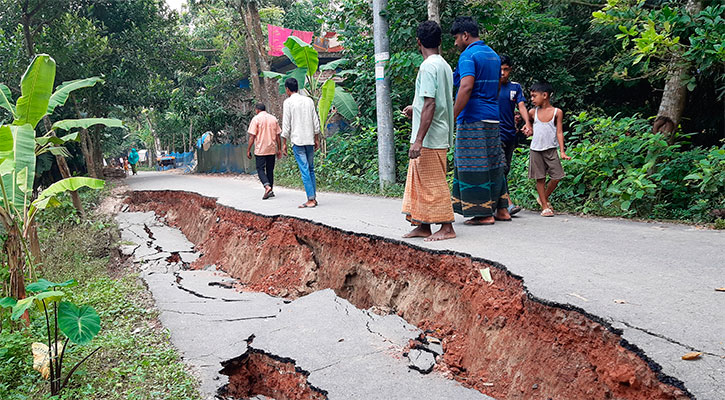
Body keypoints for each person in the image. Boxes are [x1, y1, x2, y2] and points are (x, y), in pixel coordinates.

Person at [450, 16, 511, 225]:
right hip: (492, 117)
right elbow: (495, 88)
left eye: (457, 38)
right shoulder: (493, 55)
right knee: (494, 162)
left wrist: (453, 115)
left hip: (473, 118)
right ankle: (502, 209)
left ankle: (483, 214)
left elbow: (466, 86)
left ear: (465, 35)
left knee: (472, 164)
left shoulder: (468, 56)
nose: (456, 43)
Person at [401, 20, 456, 242]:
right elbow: (436, 101)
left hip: (430, 137)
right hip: (437, 131)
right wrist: (415, 108)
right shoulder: (443, 64)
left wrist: (418, 140)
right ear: (440, 41)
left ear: (418, 42)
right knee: (420, 180)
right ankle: (422, 224)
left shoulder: (427, 67)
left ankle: (447, 227)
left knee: (433, 182)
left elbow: (432, 103)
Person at [526, 82, 571, 217]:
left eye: (534, 96)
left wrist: (562, 151)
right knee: (540, 178)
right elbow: (528, 125)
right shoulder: (533, 112)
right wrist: (527, 129)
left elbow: (559, 132)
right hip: (536, 149)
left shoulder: (557, 112)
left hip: (551, 149)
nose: (532, 99)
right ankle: (545, 207)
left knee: (557, 176)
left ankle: (542, 198)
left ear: (545, 95)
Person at [498, 55, 532, 216]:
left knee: (505, 170)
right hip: (494, 133)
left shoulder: (515, 87)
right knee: (501, 167)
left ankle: (498, 204)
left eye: (505, 69)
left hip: (510, 134)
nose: (502, 73)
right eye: (500, 69)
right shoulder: (490, 87)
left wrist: (527, 123)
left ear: (510, 70)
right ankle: (508, 203)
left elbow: (521, 106)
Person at [281, 77, 321, 208]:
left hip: (297, 140)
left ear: (287, 89)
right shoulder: (308, 101)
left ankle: (310, 199)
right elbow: (315, 121)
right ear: (297, 87)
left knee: (304, 170)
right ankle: (313, 197)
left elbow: (286, 124)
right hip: (309, 139)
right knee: (311, 169)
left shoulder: (288, 103)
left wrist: (284, 143)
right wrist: (316, 138)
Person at [247, 102, 283, 199]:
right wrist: (279, 149)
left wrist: (248, 149)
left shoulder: (256, 119)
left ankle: (267, 186)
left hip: (260, 149)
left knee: (260, 169)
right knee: (270, 170)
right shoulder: (273, 119)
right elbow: (278, 136)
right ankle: (270, 189)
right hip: (271, 148)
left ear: (257, 110)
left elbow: (252, 136)